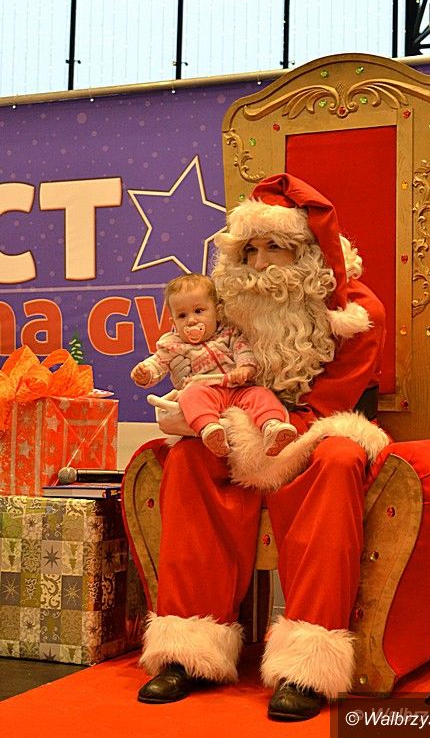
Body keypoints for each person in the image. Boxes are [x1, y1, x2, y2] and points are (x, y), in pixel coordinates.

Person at [134, 173, 387, 721]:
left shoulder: (356, 312)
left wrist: (259, 431)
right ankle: (189, 650)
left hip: (317, 428)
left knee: (338, 459)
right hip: (238, 417)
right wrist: (195, 410)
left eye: (275, 247)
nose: (260, 263)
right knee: (189, 458)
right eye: (249, 250)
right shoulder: (228, 304)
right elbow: (200, 362)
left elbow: (331, 403)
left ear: (307, 251)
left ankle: (307, 664)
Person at [130, 273, 297, 457]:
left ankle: (272, 426)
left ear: (217, 312)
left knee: (261, 394)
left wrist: (245, 369)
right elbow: (158, 362)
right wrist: (146, 373)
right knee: (190, 396)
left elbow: (243, 350)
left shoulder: (229, 333)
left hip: (237, 388)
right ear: (173, 322)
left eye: (199, 311)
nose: (191, 320)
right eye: (182, 315)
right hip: (205, 390)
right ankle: (209, 429)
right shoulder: (173, 344)